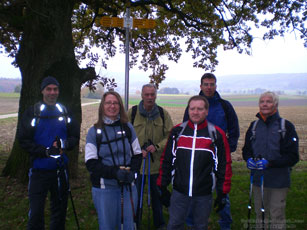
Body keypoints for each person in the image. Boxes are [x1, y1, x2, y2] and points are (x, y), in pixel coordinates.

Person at [157, 95, 231, 230]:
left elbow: (224, 165)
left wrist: (222, 192)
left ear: (206, 111)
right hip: (179, 191)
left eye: (200, 109)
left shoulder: (216, 134)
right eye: (192, 109)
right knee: (174, 225)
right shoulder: (177, 132)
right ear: (188, 110)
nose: (195, 112)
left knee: (200, 226)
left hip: (203, 193)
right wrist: (162, 186)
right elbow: (167, 160)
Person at [18, 76, 80, 230]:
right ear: (42, 91)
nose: (52, 92)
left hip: (60, 170)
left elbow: (74, 137)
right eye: (49, 89)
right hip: (39, 170)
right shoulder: (32, 113)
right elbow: (23, 140)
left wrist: (63, 145)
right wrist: (45, 151)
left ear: (58, 91)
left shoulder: (65, 112)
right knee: (36, 213)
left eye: (55, 89)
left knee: (59, 212)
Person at [183, 73, 238, 230]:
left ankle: (225, 223)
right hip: (198, 156)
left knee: (223, 192)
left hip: (219, 157)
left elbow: (234, 129)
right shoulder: (193, 105)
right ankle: (192, 223)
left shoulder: (225, 106)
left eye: (211, 84)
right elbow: (185, 128)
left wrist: (229, 149)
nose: (209, 87)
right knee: (193, 190)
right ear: (200, 86)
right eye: (206, 84)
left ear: (215, 86)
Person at [85, 91, 143, 230]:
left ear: (120, 106)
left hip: (128, 186)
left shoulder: (128, 128)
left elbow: (137, 154)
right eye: (108, 103)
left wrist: (133, 173)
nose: (112, 106)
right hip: (105, 188)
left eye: (115, 103)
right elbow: (91, 163)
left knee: (129, 225)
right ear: (102, 106)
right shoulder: (94, 132)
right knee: (108, 226)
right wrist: (114, 173)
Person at [242, 91, 299, 230]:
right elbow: (246, 150)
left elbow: (293, 157)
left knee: (277, 215)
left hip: (279, 181)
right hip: (257, 180)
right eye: (262, 101)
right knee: (259, 215)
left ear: (276, 104)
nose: (265, 104)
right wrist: (248, 159)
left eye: (269, 101)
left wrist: (270, 163)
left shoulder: (286, 127)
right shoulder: (254, 126)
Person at [127, 84, 173, 230]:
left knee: (157, 197)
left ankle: (159, 224)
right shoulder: (132, 113)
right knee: (135, 197)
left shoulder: (163, 114)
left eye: (152, 94)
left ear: (156, 96)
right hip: (137, 165)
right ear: (141, 95)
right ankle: (135, 223)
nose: (149, 98)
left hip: (157, 166)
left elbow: (170, 136)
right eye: (146, 94)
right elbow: (124, 136)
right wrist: (137, 151)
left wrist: (157, 146)